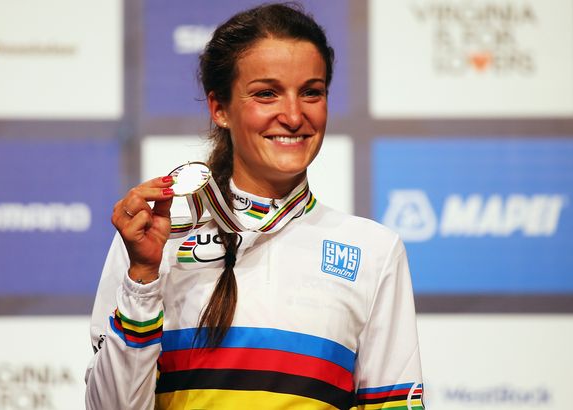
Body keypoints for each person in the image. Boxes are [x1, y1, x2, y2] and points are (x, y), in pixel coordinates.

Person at [85, 3, 424, 409]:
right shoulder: (155, 236)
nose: (294, 115)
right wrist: (142, 276)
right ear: (220, 109)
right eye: (267, 93)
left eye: (312, 92)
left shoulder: (373, 250)